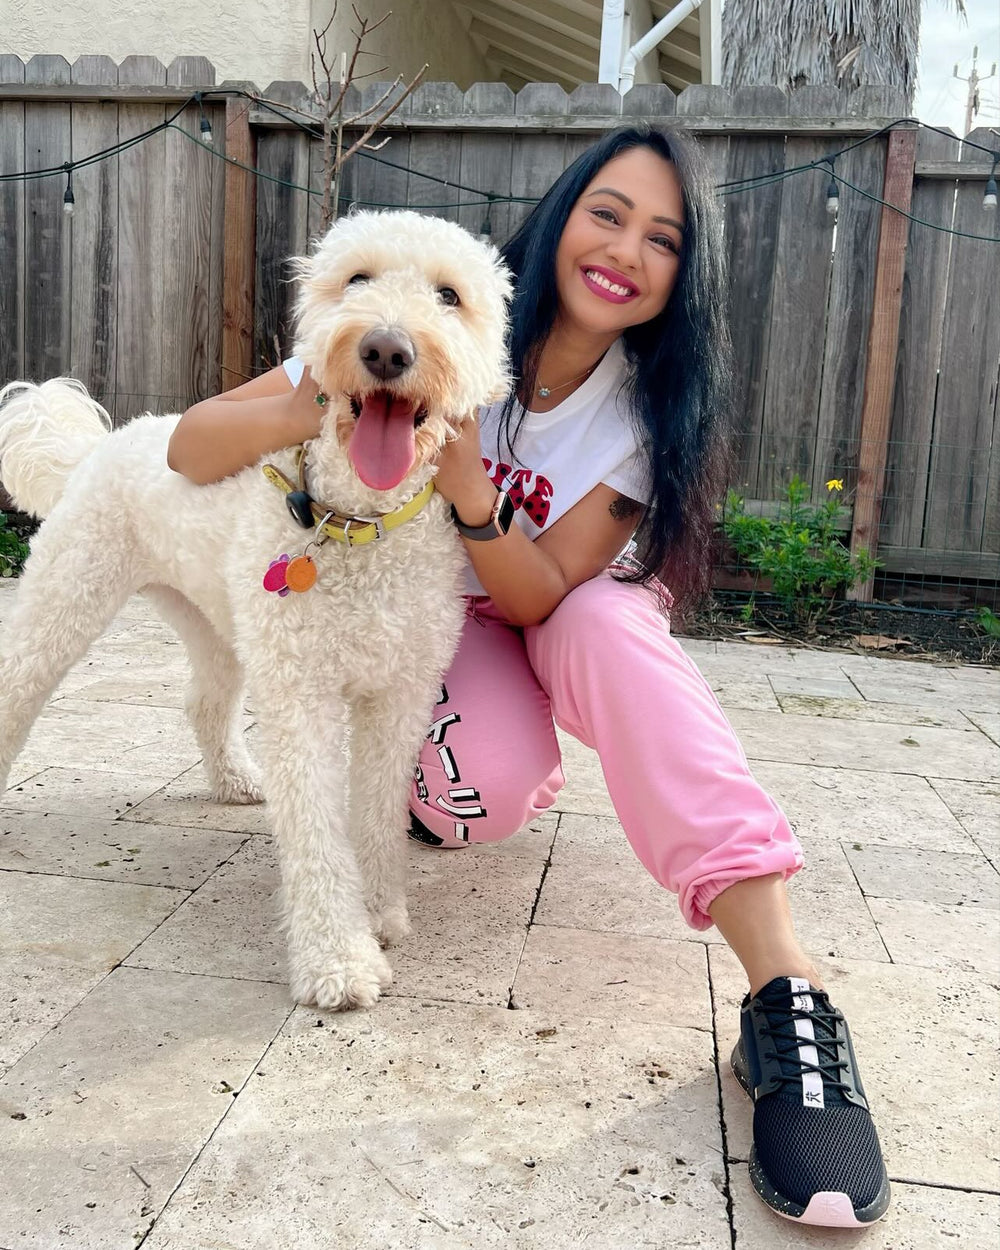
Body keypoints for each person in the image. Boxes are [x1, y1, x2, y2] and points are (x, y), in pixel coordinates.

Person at [167, 123, 890, 1229]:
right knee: (478, 795)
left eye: (664, 239)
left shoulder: (642, 410)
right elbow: (191, 446)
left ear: (681, 275)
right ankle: (431, 790)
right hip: (429, 625)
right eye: (608, 213)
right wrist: (319, 404)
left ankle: (786, 992)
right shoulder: (421, 309)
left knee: (610, 631)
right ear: (559, 218)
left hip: (545, 607)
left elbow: (542, 592)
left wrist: (467, 482)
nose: (627, 250)